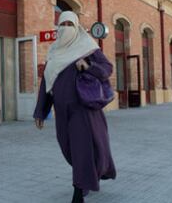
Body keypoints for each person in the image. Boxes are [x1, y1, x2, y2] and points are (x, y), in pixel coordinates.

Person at [33, 11, 116, 203]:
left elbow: (107, 69)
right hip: (62, 113)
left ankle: (78, 191)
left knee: (82, 150)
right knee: (68, 148)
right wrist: (41, 112)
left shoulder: (87, 47)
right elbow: (47, 83)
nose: (66, 29)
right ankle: (87, 177)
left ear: (77, 27)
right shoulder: (54, 52)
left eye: (70, 25)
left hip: (83, 111)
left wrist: (88, 65)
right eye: (63, 25)